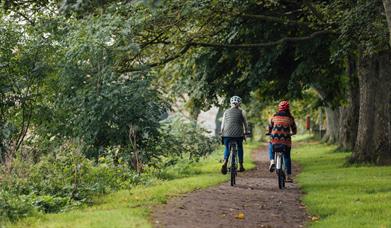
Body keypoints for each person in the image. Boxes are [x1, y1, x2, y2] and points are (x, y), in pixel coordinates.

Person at [268, 100, 297, 182]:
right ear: (288, 108)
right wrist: (293, 133)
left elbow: (270, 127)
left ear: (279, 108)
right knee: (287, 156)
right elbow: (294, 129)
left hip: (274, 138)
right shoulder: (290, 118)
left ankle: (272, 161)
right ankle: (288, 176)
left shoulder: (274, 117)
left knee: (271, 144)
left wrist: (270, 132)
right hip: (286, 140)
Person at [220, 96, 249, 175]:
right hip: (238, 134)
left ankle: (225, 161)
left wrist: (221, 132)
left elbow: (222, 125)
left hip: (226, 134)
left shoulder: (226, 112)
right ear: (239, 103)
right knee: (239, 147)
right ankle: (241, 165)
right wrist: (246, 131)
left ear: (230, 103)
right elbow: (245, 123)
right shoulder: (242, 111)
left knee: (227, 147)